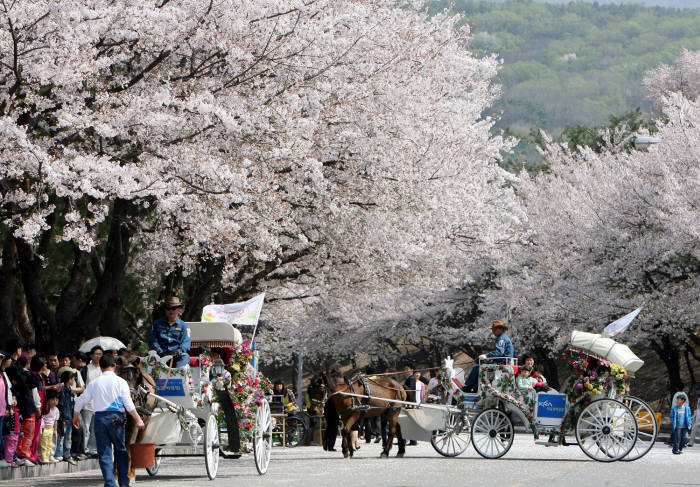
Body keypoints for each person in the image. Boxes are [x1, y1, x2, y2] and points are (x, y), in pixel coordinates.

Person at [73, 355, 145, 487]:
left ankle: (110, 483)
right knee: (121, 450)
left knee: (104, 453)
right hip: (116, 418)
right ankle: (124, 482)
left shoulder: (94, 383)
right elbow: (128, 404)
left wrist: (76, 415)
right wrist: (138, 419)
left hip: (100, 419)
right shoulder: (121, 382)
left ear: (100, 368)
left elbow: (81, 399)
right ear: (115, 367)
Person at [463, 320, 514, 393]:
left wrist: (486, 355)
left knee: (477, 367)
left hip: (502, 363)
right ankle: (475, 387)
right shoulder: (504, 337)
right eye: (493, 329)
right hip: (503, 361)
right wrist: (490, 359)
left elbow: (499, 352)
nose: (493, 332)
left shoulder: (501, 338)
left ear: (500, 329)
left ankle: (468, 386)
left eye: (495, 329)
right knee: (481, 366)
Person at [148, 296, 192, 368]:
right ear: (165, 310)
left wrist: (178, 351)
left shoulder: (184, 326)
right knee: (148, 358)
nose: (171, 311)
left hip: (177, 356)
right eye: (168, 308)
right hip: (160, 355)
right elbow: (152, 340)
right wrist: (160, 351)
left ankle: (178, 377)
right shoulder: (157, 324)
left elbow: (186, 343)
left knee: (185, 357)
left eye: (173, 308)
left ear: (179, 309)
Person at [56, 370, 77, 465]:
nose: (74, 380)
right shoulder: (63, 391)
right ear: (69, 380)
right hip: (64, 417)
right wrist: (62, 417)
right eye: (73, 378)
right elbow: (61, 405)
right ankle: (59, 454)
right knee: (62, 436)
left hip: (70, 417)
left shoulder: (70, 391)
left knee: (68, 437)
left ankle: (67, 454)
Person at [40, 390, 60, 464]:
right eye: (52, 399)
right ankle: (43, 457)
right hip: (45, 429)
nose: (54, 401)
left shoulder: (57, 410)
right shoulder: (46, 409)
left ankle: (48, 457)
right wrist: (42, 429)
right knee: (44, 444)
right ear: (48, 400)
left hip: (51, 429)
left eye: (56, 400)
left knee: (49, 444)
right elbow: (42, 418)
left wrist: (55, 430)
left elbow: (55, 420)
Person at [1, 395, 21, 468]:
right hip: (11, 432)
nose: (14, 401)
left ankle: (11, 459)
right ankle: (9, 460)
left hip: (17, 432)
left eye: (15, 399)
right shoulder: (8, 411)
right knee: (9, 446)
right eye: (12, 399)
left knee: (13, 447)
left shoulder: (16, 410)